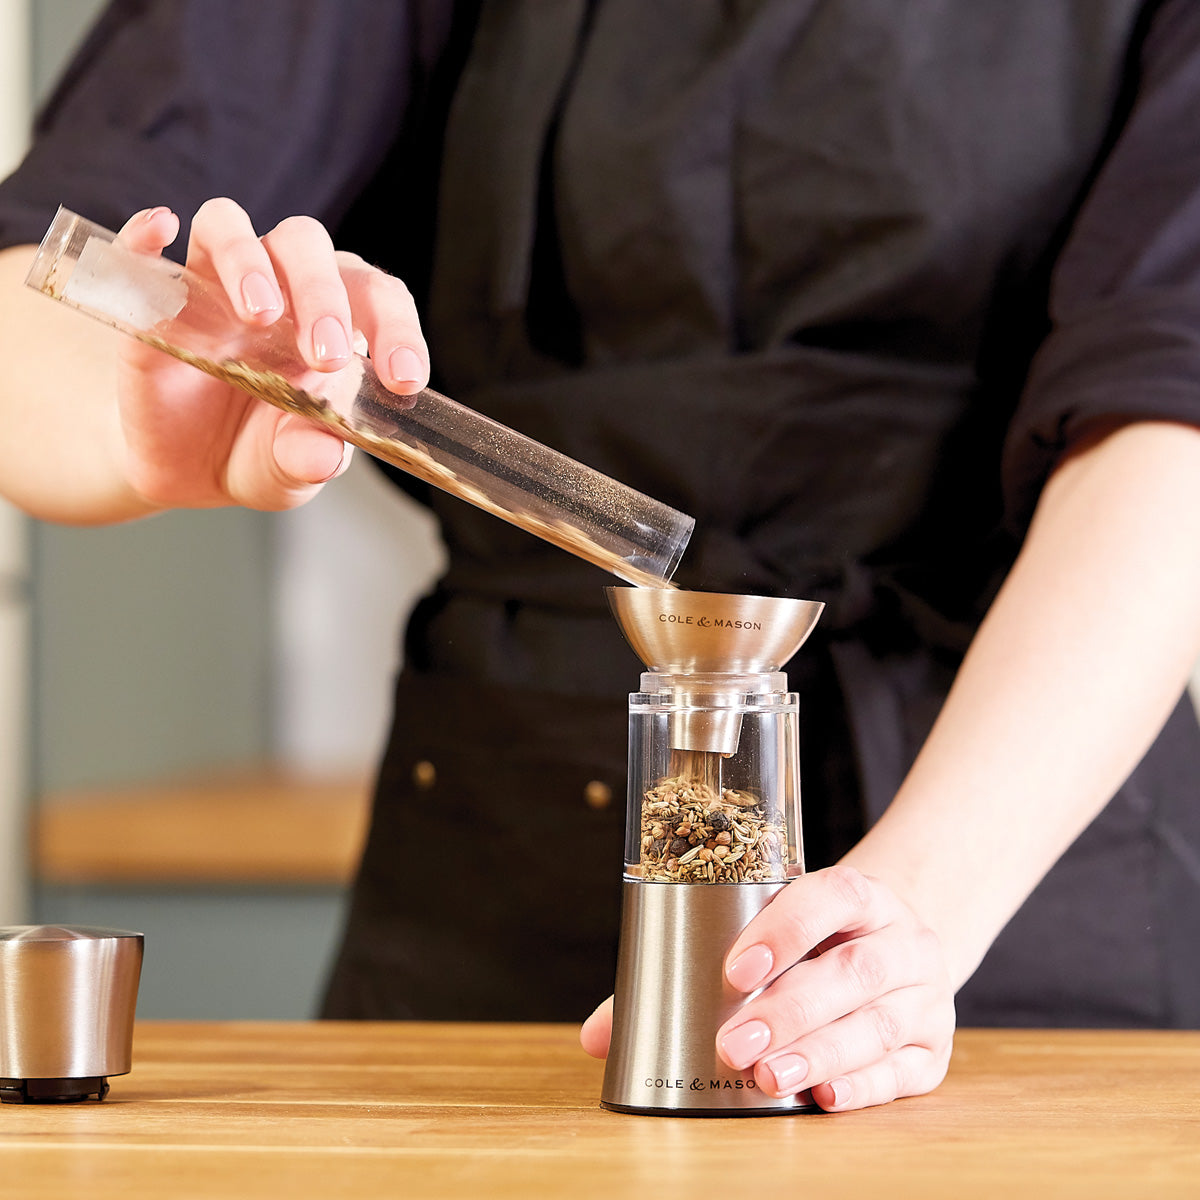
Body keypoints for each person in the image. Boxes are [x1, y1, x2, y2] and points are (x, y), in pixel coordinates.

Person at [2, 0, 1200, 1113]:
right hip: (505, 861)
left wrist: (917, 916)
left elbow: (1172, 410)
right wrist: (132, 409)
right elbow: (41, 288)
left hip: (1019, 837)